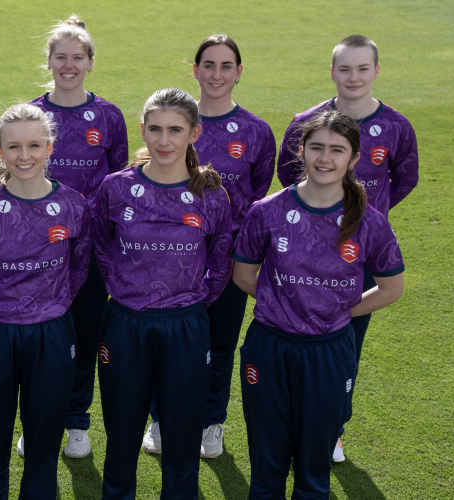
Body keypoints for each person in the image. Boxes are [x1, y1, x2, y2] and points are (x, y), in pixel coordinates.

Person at [235, 110, 405, 499]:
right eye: (316, 147)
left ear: (354, 158)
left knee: (314, 475)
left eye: (337, 150)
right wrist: (284, 302)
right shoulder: (267, 211)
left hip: (328, 352)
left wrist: (338, 311)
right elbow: (243, 275)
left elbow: (391, 289)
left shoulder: (370, 222)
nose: (325, 158)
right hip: (269, 347)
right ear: (301, 151)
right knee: (266, 472)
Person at [275, 34, 419, 462]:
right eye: (345, 68)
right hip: (303, 249)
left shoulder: (396, 126)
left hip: (361, 254)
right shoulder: (307, 121)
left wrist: (366, 218)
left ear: (376, 71)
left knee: (345, 342)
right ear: (332, 72)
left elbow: (405, 178)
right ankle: (287, 422)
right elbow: (288, 174)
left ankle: (333, 429)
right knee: (295, 334)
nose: (353, 77)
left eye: (362, 68)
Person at [93, 88, 232, 499]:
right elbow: (101, 246)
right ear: (143, 130)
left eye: (175, 130)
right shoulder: (116, 188)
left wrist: (187, 303)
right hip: (125, 323)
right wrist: (125, 290)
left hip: (185, 325)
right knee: (121, 438)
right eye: (155, 129)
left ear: (194, 133)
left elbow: (220, 262)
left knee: (182, 442)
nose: (164, 140)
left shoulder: (211, 195)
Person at [142, 34, 276, 459]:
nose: (217, 74)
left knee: (220, 341)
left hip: (230, 255)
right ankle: (160, 418)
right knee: (165, 338)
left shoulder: (256, 131)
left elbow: (256, 195)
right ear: (195, 70)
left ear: (239, 72)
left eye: (226, 66)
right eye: (209, 65)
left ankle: (211, 422)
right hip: (170, 251)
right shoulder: (174, 119)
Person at [0, 103, 90, 499]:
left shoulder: (73, 205)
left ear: (49, 148)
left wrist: (53, 303)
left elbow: (79, 266)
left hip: (50, 332)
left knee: (43, 446)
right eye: (14, 147)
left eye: (34, 145)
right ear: (0, 152)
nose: (24, 155)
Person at [25, 15, 129, 459]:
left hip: (91, 247)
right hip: (38, 247)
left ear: (90, 62)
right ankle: (37, 421)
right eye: (61, 57)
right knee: (40, 335)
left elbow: (119, 185)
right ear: (49, 61)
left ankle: (77, 421)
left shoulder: (108, 116)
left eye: (78, 57)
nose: (69, 65)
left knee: (85, 334)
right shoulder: (32, 116)